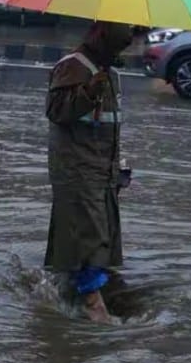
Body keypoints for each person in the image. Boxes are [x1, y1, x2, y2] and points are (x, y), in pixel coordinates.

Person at [44, 21, 135, 323]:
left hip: (102, 170)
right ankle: (91, 305)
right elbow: (57, 111)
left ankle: (71, 287)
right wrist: (87, 91)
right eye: (114, 46)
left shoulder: (111, 74)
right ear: (98, 36)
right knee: (89, 236)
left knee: (103, 234)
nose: (118, 53)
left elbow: (107, 126)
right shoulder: (73, 67)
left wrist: (117, 168)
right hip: (77, 170)